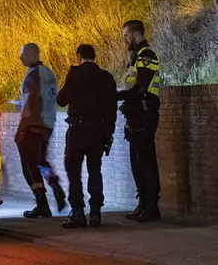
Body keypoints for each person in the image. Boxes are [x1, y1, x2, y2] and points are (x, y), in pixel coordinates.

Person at [56, 44, 118, 228]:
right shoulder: (106, 77)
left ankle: (77, 213)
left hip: (78, 130)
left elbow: (61, 100)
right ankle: (96, 213)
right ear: (94, 56)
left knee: (74, 172)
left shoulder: (75, 75)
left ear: (78, 56)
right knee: (95, 171)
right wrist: (108, 132)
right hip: (98, 131)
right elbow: (112, 108)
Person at [15, 43, 66, 218]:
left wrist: (21, 128)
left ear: (33, 55)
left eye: (23, 54)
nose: (20, 57)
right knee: (41, 161)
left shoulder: (32, 76)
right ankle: (55, 184)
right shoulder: (48, 73)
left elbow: (30, 101)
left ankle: (42, 203)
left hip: (32, 125)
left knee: (29, 165)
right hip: (47, 125)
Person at [118, 20, 162, 223]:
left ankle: (153, 206)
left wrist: (118, 97)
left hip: (145, 115)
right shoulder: (134, 58)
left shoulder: (147, 56)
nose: (124, 39)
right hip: (135, 117)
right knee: (136, 162)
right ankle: (143, 203)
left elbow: (141, 88)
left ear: (136, 34)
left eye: (126, 35)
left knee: (146, 162)